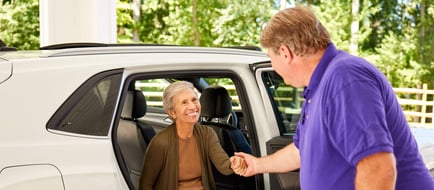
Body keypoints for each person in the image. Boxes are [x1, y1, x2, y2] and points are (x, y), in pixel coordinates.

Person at [232, 6, 434, 190]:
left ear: (285, 53)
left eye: (271, 57)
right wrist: (257, 165)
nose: (273, 66)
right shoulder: (319, 86)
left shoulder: (345, 79)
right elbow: (301, 152)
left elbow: (378, 169)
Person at [139, 81, 244, 190]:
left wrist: (234, 163)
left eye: (194, 100)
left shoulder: (207, 134)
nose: (192, 106)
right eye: (184, 102)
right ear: (172, 113)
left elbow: (223, 164)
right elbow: (145, 185)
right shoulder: (160, 142)